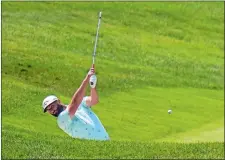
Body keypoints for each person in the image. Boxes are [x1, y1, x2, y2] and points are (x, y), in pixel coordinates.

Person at [42, 67, 110, 141]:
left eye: (52, 106)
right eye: (48, 109)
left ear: (58, 101)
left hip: (106, 141)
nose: (52, 110)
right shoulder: (61, 120)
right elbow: (75, 103)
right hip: (91, 147)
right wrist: (87, 79)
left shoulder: (80, 104)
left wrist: (92, 86)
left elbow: (94, 101)